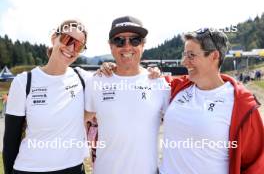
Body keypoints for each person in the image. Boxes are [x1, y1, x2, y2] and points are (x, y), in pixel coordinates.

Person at [159, 29, 264, 174]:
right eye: (184, 55)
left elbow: (256, 164)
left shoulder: (241, 105)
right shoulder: (177, 87)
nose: (184, 62)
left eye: (191, 55)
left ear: (214, 56)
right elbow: (141, 80)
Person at [3, 20, 91, 174]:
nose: (71, 48)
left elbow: (115, 82)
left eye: (79, 45)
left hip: (74, 168)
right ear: (53, 38)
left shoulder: (83, 78)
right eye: (67, 39)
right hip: (30, 169)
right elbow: (11, 139)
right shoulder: (24, 81)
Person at [85, 15, 170, 174]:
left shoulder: (160, 84)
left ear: (143, 45)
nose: (127, 46)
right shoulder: (96, 81)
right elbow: (79, 121)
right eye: (119, 41)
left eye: (135, 40)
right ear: (110, 46)